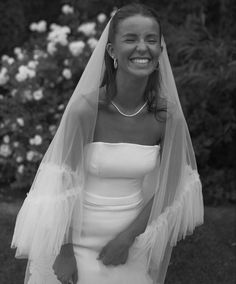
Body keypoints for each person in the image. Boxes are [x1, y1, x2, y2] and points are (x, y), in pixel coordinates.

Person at [11, 4, 204, 284]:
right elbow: (61, 182)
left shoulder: (167, 116)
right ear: (112, 51)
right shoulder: (86, 110)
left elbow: (170, 185)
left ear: (160, 51)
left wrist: (127, 238)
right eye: (131, 39)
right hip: (74, 241)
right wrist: (64, 252)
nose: (143, 47)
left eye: (151, 40)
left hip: (131, 239)